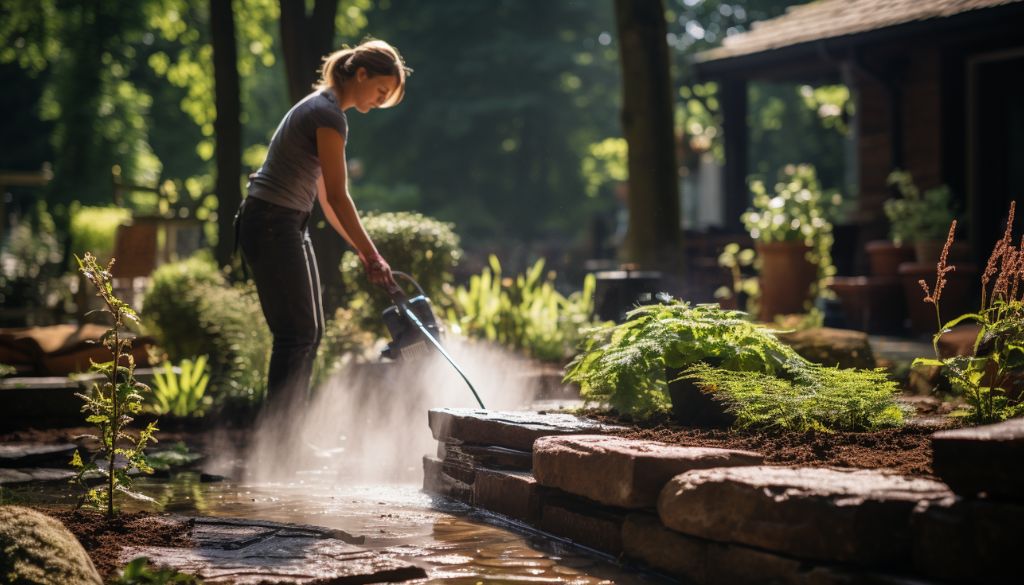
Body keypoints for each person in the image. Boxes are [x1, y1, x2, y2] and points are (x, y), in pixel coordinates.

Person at [236, 39, 411, 414]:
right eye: (380, 90)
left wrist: (366, 257)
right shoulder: (327, 114)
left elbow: (328, 205)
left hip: (286, 223)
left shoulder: (324, 109)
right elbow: (339, 195)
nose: (380, 101)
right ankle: (280, 443)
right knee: (296, 336)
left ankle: (289, 439)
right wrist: (372, 253)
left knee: (309, 334)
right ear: (361, 74)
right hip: (271, 222)